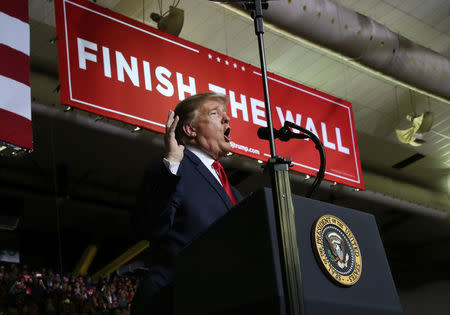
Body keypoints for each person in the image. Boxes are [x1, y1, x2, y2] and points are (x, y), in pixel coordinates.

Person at [131, 93, 243, 315]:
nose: (226, 120)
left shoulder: (236, 195)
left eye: (226, 116)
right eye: (215, 113)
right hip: (172, 301)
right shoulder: (172, 169)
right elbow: (152, 226)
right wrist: (171, 164)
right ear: (190, 130)